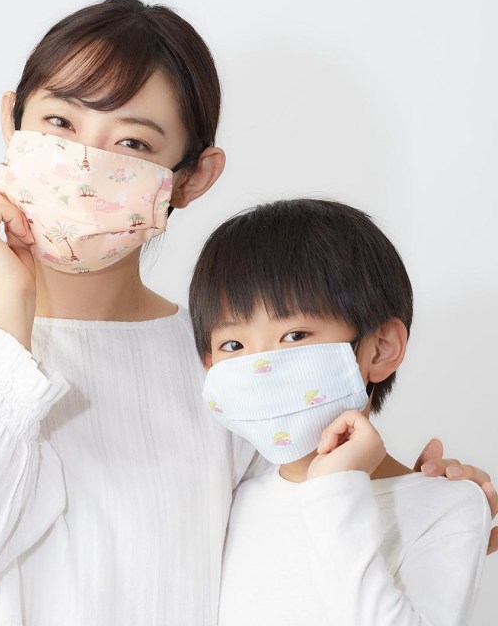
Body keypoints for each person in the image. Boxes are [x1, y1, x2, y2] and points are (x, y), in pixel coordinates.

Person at [0, 0, 495, 626]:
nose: (86, 163)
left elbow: (299, 551)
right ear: (12, 121)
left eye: (132, 142)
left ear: (191, 178)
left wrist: (425, 504)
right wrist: (10, 306)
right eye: (59, 122)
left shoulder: (230, 367)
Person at [188, 198, 492, 625]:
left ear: (380, 349)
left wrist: (336, 488)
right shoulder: (232, 498)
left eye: (295, 335)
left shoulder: (447, 505)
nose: (259, 365)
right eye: (233, 345)